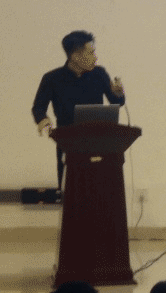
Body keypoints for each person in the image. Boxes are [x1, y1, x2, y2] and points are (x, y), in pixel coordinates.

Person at [31, 30, 125, 188]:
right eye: (91, 53)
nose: (95, 58)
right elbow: (38, 107)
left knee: (100, 190)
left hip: (99, 141)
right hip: (68, 143)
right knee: (71, 191)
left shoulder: (100, 74)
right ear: (75, 56)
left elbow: (117, 102)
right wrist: (43, 120)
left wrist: (119, 94)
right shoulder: (52, 78)